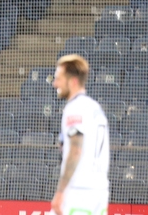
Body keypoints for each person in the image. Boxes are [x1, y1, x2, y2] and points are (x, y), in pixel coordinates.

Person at [50, 54, 111, 215]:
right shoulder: (95, 108)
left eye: (59, 78)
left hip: (79, 190)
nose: (55, 83)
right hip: (99, 189)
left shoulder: (75, 108)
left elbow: (76, 150)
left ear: (73, 81)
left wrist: (61, 191)